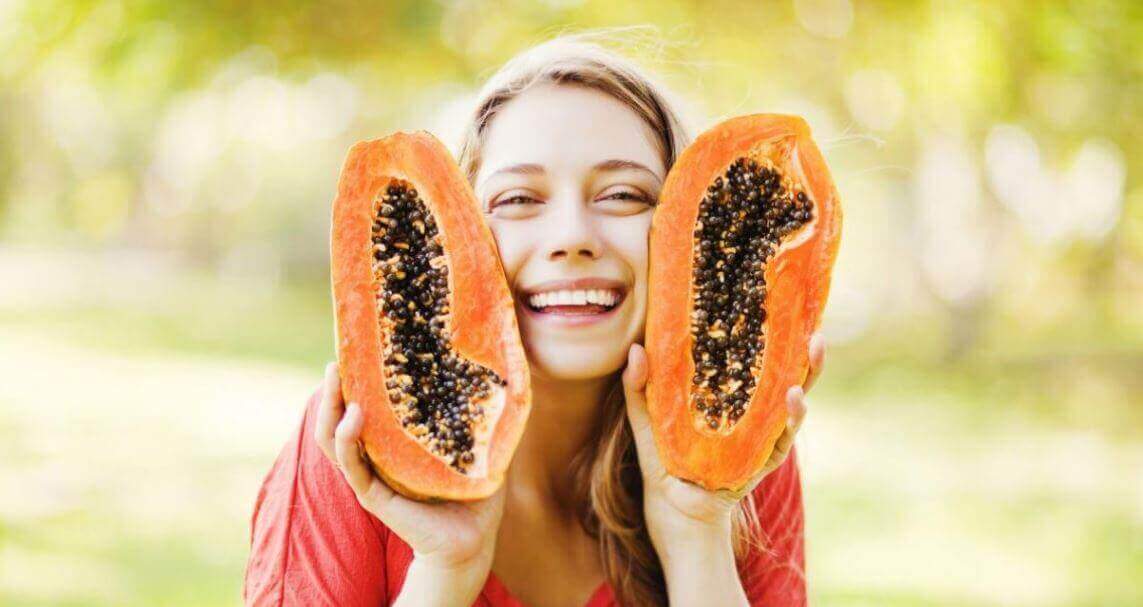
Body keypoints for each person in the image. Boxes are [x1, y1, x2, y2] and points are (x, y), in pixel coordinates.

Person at [244, 33, 824, 607]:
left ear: (695, 230)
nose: (571, 237)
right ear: (458, 233)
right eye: (519, 199)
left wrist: (697, 535)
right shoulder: (353, 453)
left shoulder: (737, 463)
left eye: (623, 194)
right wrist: (446, 570)